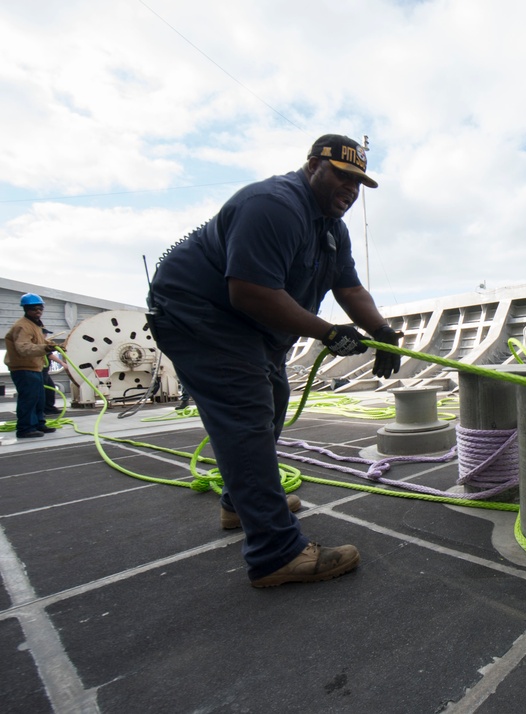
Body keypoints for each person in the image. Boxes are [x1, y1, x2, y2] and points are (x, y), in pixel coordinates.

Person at [148, 134, 403, 587]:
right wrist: (327, 333)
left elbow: (349, 289)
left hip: (250, 326)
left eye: (358, 183)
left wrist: (381, 331)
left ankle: (240, 503)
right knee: (246, 413)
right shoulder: (273, 205)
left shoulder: (331, 228)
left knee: (274, 398)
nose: (350, 189)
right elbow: (248, 291)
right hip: (200, 314)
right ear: (312, 167)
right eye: (342, 176)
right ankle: (275, 553)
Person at [4, 294, 58, 439]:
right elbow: (24, 348)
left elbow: (39, 342)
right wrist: (46, 349)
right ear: (26, 309)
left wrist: (52, 346)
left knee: (39, 398)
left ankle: (39, 423)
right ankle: (25, 428)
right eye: (33, 308)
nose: (37, 311)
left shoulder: (35, 325)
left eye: (40, 308)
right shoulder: (23, 326)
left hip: (35, 368)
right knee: (29, 398)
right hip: (23, 368)